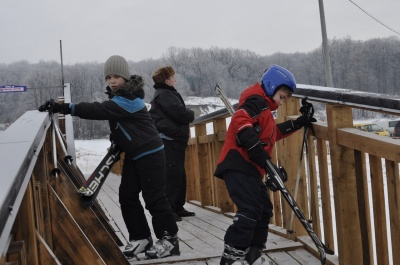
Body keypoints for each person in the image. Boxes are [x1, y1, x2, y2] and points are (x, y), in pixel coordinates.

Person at [38, 55, 180, 260]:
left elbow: (99, 110)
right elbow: (122, 124)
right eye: (108, 77)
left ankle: (170, 240)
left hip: (150, 154)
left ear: (125, 77)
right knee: (127, 196)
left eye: (116, 76)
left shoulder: (129, 100)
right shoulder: (119, 99)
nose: (112, 81)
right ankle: (141, 237)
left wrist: (66, 108)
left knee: (154, 197)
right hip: (135, 154)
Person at [214, 65, 316, 265]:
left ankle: (253, 254)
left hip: (251, 168)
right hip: (238, 164)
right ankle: (232, 257)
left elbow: (273, 134)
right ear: (271, 86)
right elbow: (241, 120)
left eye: (286, 97)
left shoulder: (266, 111)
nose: (283, 100)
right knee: (251, 209)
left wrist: (298, 123)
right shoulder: (256, 101)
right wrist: (253, 145)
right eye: (283, 95)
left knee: (263, 209)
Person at [149, 66, 195, 222]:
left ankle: (178, 207)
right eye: (173, 77)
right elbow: (180, 113)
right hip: (170, 140)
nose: (175, 79)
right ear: (167, 80)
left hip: (174, 140)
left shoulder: (165, 93)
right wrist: (191, 114)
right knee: (173, 177)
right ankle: (169, 210)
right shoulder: (165, 95)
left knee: (179, 175)